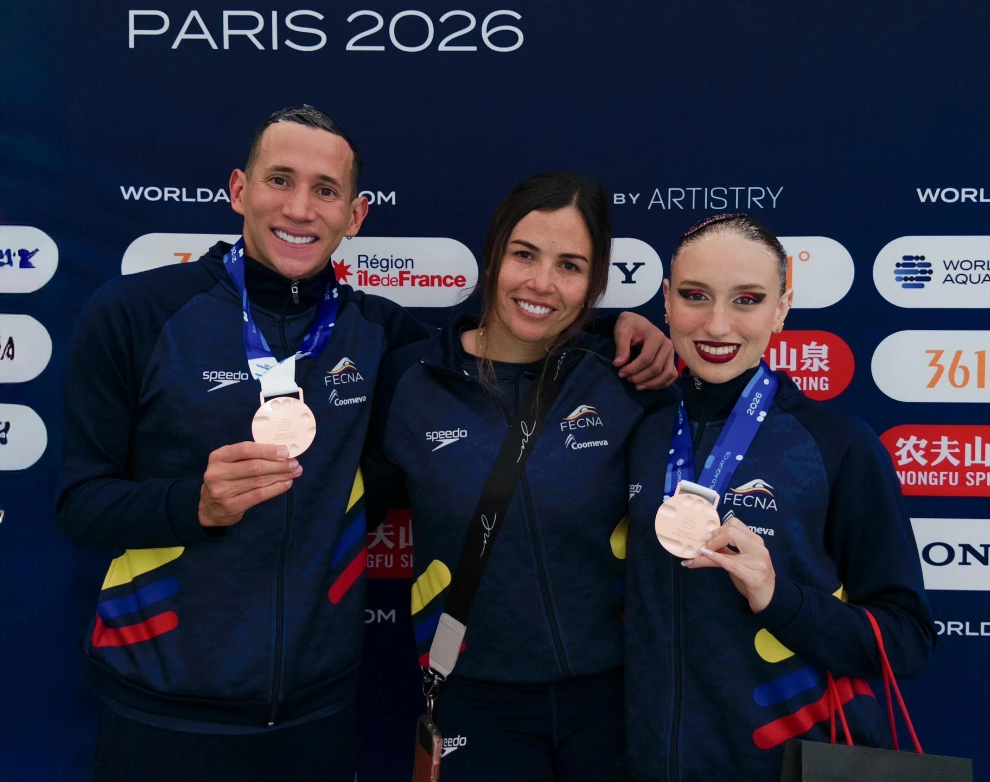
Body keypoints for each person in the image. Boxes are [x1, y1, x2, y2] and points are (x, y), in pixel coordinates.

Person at [55, 107, 676, 781]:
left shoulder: (385, 339)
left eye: (325, 190)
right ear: (239, 190)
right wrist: (193, 505)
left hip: (315, 710)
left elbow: (508, 343)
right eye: (280, 180)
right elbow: (80, 505)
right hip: (160, 703)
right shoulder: (133, 314)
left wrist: (614, 329)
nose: (299, 208)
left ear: (355, 215)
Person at [363, 172, 679, 782]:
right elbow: (333, 518)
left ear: (593, 283)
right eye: (524, 255)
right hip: (473, 698)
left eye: (570, 265)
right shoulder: (409, 381)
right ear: (493, 255)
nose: (541, 284)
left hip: (614, 695)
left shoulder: (625, 380)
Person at [622, 213, 936, 782]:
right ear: (665, 301)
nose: (718, 324)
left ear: (782, 307)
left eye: (748, 299)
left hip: (792, 765)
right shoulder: (636, 429)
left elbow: (907, 641)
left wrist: (779, 597)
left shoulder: (836, 444)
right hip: (647, 764)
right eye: (696, 295)